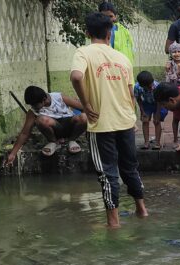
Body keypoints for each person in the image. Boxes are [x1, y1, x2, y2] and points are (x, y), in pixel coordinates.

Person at [70, 12, 147, 228]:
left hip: (101, 124)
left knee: (107, 173)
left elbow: (76, 76)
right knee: (130, 168)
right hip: (125, 121)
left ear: (87, 33)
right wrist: (132, 119)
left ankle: (113, 223)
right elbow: (131, 94)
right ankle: (142, 210)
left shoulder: (83, 52)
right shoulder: (122, 58)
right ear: (109, 32)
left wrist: (85, 105)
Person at [4, 86, 88, 166]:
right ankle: (54, 142)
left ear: (44, 100)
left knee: (84, 117)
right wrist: (13, 153)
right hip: (55, 130)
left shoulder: (59, 97)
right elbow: (24, 133)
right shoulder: (33, 112)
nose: (33, 107)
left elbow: (83, 108)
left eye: (35, 105)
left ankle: (72, 140)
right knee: (41, 120)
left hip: (70, 125)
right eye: (31, 105)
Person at [133, 71, 168, 150]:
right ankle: (146, 142)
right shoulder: (137, 87)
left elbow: (159, 100)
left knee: (157, 121)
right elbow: (138, 99)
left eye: (151, 85)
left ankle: (157, 143)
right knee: (145, 120)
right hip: (147, 103)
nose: (151, 87)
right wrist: (142, 111)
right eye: (148, 87)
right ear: (142, 85)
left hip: (157, 104)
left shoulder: (157, 86)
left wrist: (158, 113)